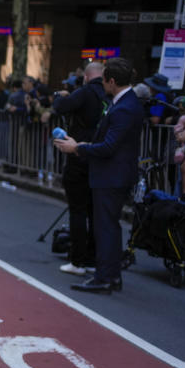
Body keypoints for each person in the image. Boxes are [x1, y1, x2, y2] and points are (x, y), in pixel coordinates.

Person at [54, 57, 144, 294]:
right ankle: (110, 275)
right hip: (112, 173)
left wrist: (77, 148)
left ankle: (105, 277)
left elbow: (109, 147)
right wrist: (82, 144)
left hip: (112, 176)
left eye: (104, 80)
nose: (102, 85)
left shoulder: (125, 107)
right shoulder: (124, 103)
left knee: (106, 228)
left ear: (112, 81)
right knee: (108, 227)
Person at [46, 61, 106, 276]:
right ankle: (91, 258)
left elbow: (60, 107)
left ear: (87, 77)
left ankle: (78, 260)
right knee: (94, 211)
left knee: (78, 210)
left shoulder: (86, 92)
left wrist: (62, 95)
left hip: (79, 153)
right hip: (101, 156)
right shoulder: (110, 95)